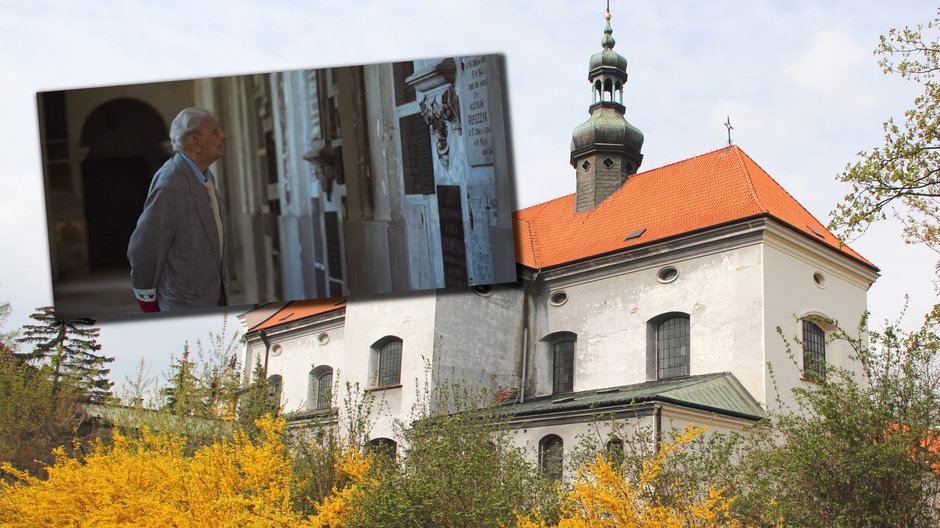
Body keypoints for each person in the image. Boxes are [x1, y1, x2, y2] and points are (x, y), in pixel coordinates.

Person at [127, 107, 227, 312]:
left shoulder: (205, 175)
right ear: (195, 142)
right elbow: (143, 249)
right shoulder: (170, 183)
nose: (222, 136)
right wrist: (148, 305)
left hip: (211, 300)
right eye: (215, 131)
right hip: (183, 306)